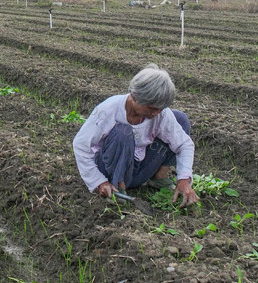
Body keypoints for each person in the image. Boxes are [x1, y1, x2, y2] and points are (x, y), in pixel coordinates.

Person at [73, 64, 198, 207]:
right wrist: (98, 181)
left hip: (138, 170)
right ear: (135, 97)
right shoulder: (108, 109)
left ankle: (158, 178)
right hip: (108, 168)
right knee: (123, 132)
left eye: (160, 109)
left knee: (180, 119)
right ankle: (117, 187)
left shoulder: (160, 114)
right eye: (151, 108)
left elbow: (184, 144)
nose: (156, 113)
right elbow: (80, 145)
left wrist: (184, 179)